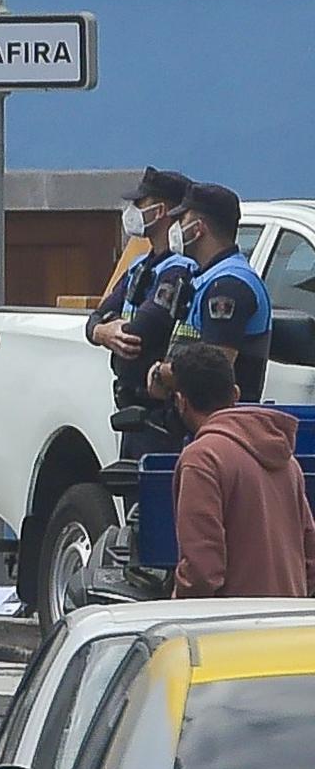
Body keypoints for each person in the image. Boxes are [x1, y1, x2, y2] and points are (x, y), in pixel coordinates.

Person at [166, 344, 315, 599]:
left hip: (232, 630)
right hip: (287, 625)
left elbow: (202, 569)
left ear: (181, 402)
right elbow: (310, 554)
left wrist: (176, 612)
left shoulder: (202, 458)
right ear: (235, 394)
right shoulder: (287, 461)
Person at [87, 166, 197, 458]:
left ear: (160, 211)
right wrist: (102, 331)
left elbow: (140, 333)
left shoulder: (179, 270)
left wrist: (111, 329)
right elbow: (97, 317)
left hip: (161, 415)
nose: (132, 211)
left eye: (140, 204)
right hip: (132, 410)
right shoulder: (140, 266)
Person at [152, 183, 273, 405]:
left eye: (182, 221)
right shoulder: (204, 277)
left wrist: (162, 374)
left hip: (220, 423)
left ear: (199, 228)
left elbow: (213, 371)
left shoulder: (228, 286)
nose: (175, 228)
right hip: (191, 422)